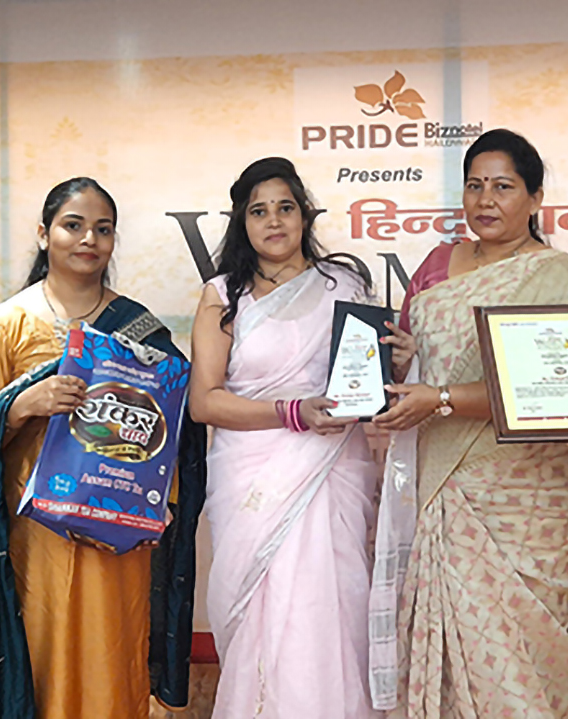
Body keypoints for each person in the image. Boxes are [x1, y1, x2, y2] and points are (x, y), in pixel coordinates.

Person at [369, 129, 568, 717]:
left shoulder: (566, 281)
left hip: (531, 501)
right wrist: (407, 358)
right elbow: (418, 360)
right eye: (474, 186)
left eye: (503, 187)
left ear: (536, 198)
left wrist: (440, 398)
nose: (485, 200)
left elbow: (559, 393)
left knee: (524, 659)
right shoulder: (436, 267)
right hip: (448, 485)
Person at [0, 177, 206, 719]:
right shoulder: (6, 326)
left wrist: (164, 500)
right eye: (73, 225)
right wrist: (21, 406)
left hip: (120, 535)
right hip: (35, 535)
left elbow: (173, 426)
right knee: (39, 658)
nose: (88, 240)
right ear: (44, 233)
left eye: (103, 230)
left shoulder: (141, 331)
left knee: (113, 658)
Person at [189, 157, 381, 718]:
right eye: (259, 211)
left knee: (332, 607)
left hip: (333, 469)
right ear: (241, 222)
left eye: (285, 207)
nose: (274, 221)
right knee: (262, 613)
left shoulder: (344, 285)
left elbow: (368, 380)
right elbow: (205, 402)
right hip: (254, 479)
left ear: (304, 215)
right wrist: (293, 412)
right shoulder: (222, 296)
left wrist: (400, 361)